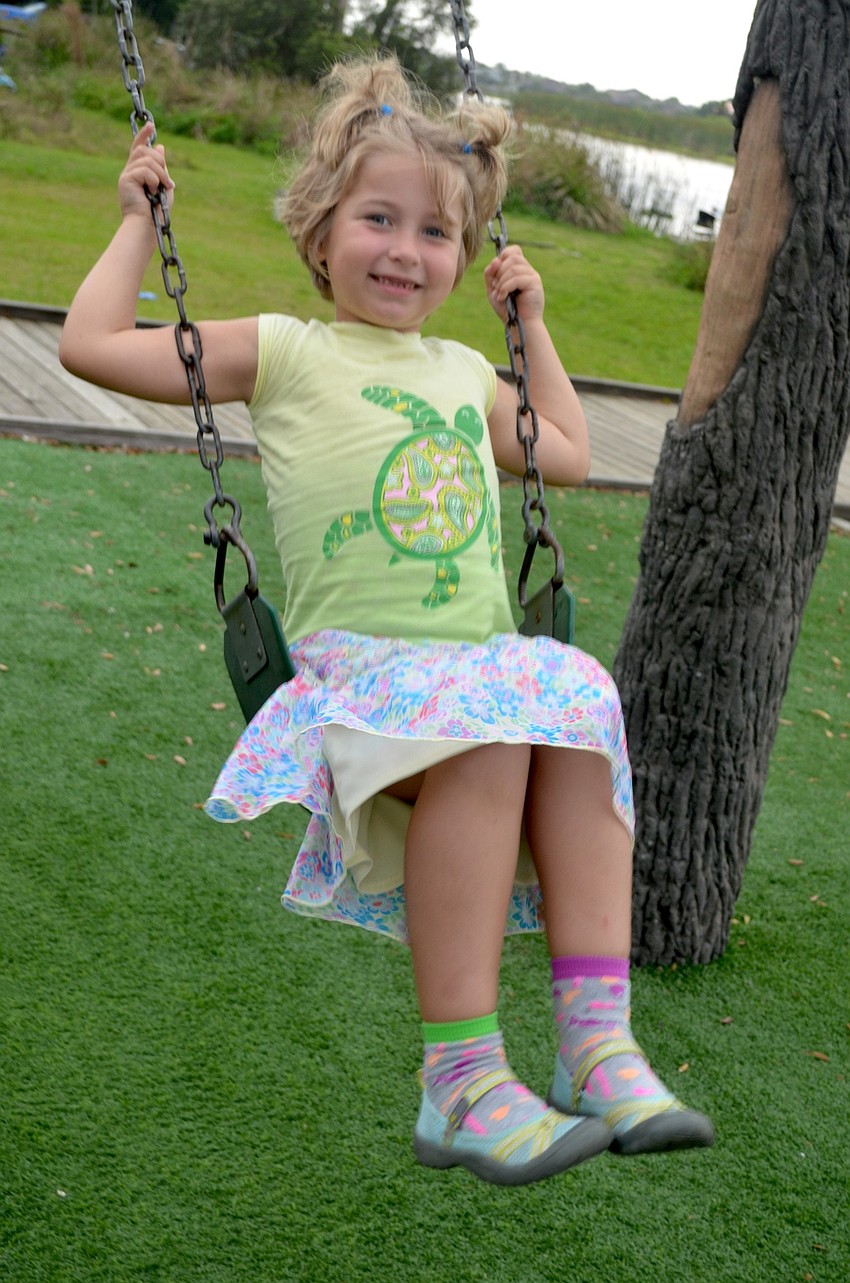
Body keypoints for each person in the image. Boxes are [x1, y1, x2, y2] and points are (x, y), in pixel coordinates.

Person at [60, 54, 714, 1187]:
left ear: (463, 259)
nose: (405, 251)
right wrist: (135, 221)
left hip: (470, 685)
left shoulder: (465, 371)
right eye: (378, 219)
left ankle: (594, 1042)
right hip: (359, 682)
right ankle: (461, 1077)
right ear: (322, 233)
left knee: (574, 692)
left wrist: (533, 324)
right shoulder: (286, 349)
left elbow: (562, 453)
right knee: (501, 712)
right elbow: (91, 345)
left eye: (434, 233)